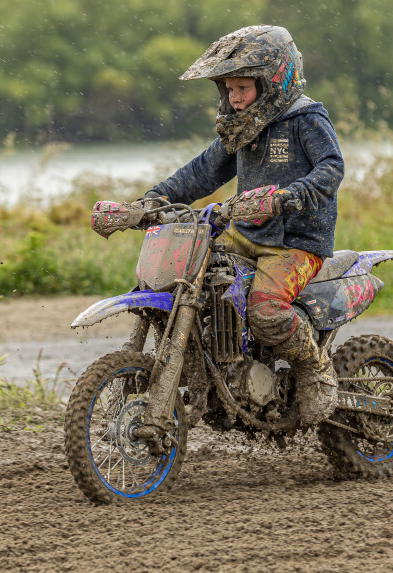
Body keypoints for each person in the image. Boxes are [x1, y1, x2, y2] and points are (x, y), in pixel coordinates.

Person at [143, 25, 345, 427]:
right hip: (246, 233)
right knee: (197, 285)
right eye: (228, 88)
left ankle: (316, 369)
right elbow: (201, 173)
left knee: (265, 310)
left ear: (272, 82)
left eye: (242, 88)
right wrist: (154, 198)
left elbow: (332, 166)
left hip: (295, 242)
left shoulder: (305, 118)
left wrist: (294, 193)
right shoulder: (241, 127)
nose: (234, 97)